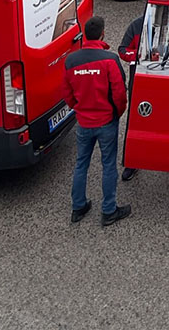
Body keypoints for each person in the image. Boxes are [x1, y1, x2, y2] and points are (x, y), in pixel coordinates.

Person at [61, 16, 131, 226]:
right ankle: (108, 210)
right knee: (108, 165)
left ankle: (78, 207)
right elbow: (119, 92)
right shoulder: (109, 60)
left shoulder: (71, 61)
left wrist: (79, 109)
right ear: (102, 33)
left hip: (84, 122)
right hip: (106, 121)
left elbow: (67, 94)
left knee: (81, 163)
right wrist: (116, 113)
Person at [117, 16, 144, 183]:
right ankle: (132, 162)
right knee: (134, 122)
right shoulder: (135, 25)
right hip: (139, 82)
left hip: (164, 81)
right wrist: (140, 55)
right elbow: (122, 50)